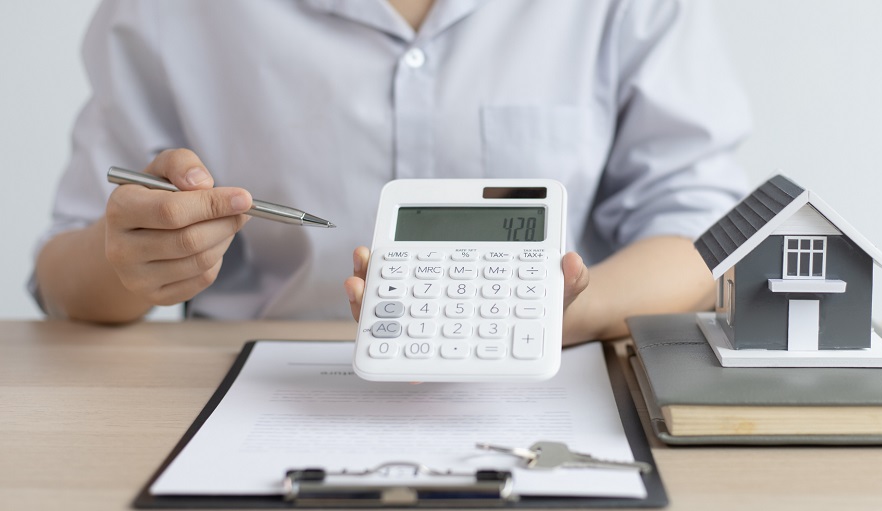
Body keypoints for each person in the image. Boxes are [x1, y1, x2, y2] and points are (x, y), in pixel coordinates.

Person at [31, 0, 751, 346]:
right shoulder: (170, 12)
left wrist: (550, 319)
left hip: (553, 387)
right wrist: (129, 258)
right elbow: (63, 272)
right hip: (259, 393)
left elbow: (704, 231)